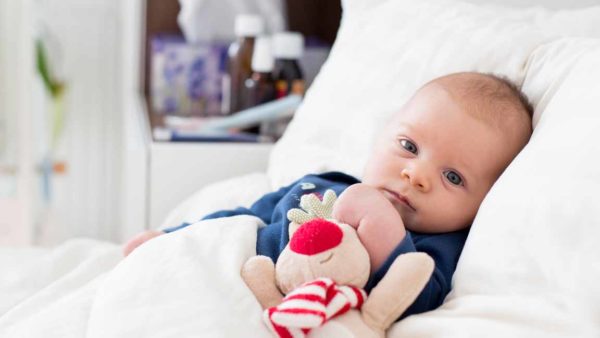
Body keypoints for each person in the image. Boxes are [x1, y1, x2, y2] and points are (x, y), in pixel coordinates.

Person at [123, 72, 533, 318]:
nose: (416, 174)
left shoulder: (435, 250)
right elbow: (243, 218)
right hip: (228, 278)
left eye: (453, 177)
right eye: (408, 147)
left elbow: (416, 299)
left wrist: (381, 224)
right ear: (381, 137)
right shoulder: (320, 185)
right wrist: (175, 236)